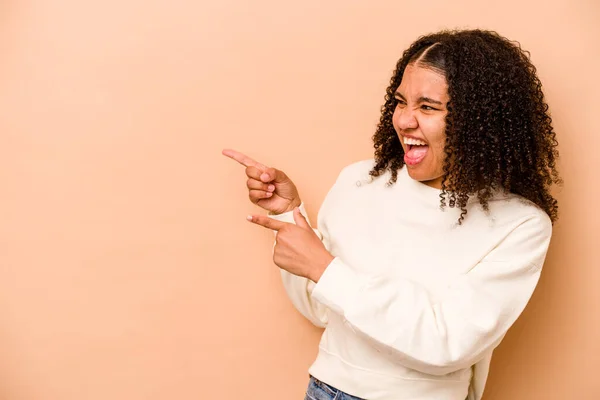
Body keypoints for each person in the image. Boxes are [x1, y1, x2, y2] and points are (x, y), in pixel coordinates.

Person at [222, 29, 560, 400]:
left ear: (480, 121)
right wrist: (288, 216)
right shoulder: (359, 181)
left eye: (428, 107)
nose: (404, 121)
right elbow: (323, 311)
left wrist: (324, 267)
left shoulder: (519, 224)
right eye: (401, 102)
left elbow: (448, 345)